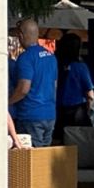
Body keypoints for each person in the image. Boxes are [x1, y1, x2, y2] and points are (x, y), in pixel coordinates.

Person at [9, 19, 58, 147]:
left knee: (30, 160)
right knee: (43, 157)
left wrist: (7, 102)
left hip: (30, 115)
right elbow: (55, 86)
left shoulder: (25, 58)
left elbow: (23, 89)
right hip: (50, 114)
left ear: (21, 35)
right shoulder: (51, 56)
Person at [55, 33, 94, 143]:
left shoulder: (55, 64)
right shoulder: (80, 67)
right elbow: (90, 94)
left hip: (58, 111)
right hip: (77, 112)